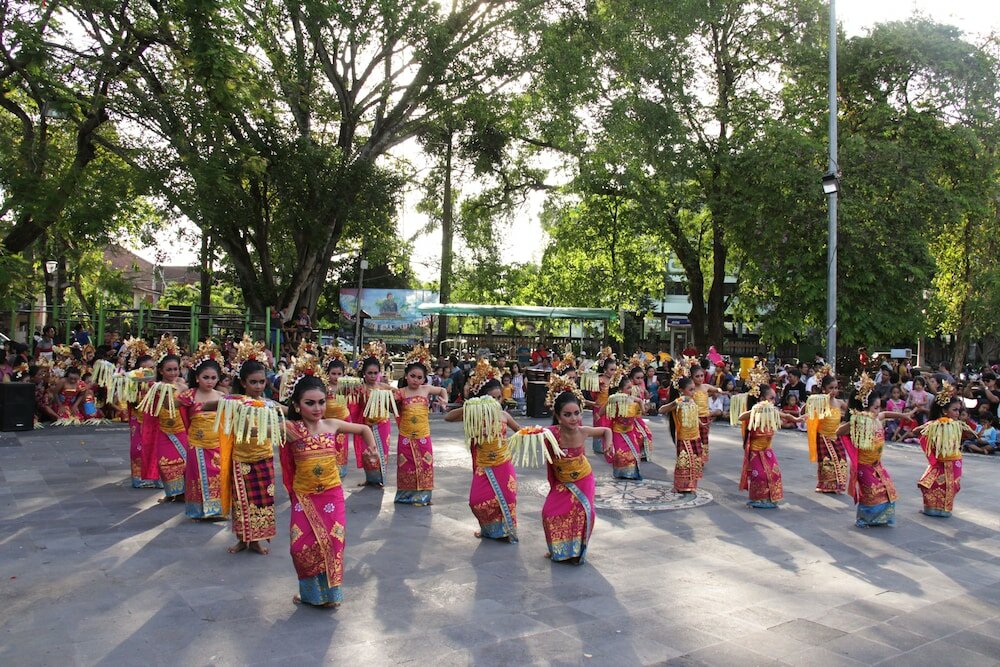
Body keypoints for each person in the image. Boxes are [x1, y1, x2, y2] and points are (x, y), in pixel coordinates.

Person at [281, 375, 375, 607]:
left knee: (333, 544)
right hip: (303, 496)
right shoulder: (291, 429)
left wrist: (371, 449)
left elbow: (363, 428)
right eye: (309, 403)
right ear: (296, 405)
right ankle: (311, 594)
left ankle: (330, 596)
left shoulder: (332, 425)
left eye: (321, 402)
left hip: (331, 495)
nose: (317, 408)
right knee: (300, 548)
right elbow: (257, 426)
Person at [445, 379, 522, 542]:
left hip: (503, 463)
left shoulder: (504, 415)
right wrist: (468, 407)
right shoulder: (474, 414)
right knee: (477, 501)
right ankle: (488, 529)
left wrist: (538, 434)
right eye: (491, 398)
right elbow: (448, 418)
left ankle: (506, 531)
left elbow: (519, 431)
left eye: (498, 398)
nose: (496, 402)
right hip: (483, 465)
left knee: (508, 499)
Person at [542, 391, 609, 564]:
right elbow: (526, 434)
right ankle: (559, 549)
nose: (574, 418)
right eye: (567, 414)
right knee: (549, 513)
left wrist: (608, 445)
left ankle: (576, 551)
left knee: (584, 514)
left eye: (577, 413)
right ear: (558, 416)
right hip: (563, 481)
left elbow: (606, 430)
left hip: (584, 479)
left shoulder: (584, 431)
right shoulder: (550, 434)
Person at [836, 377, 907, 527]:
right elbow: (839, 431)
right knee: (871, 492)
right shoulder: (858, 422)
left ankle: (881, 519)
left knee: (888, 490)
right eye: (875, 408)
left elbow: (886, 414)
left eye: (879, 407)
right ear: (865, 408)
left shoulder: (876, 418)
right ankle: (864, 519)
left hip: (877, 465)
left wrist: (902, 416)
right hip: (864, 465)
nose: (878, 411)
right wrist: (854, 421)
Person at [180, 348, 229, 520]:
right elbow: (173, 407)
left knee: (218, 475)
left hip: (217, 444)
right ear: (197, 378)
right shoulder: (189, 395)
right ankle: (198, 511)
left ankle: (218, 510)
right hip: (197, 444)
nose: (210, 381)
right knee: (199, 477)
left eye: (213, 378)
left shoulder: (222, 396)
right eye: (205, 377)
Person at [139, 338, 190, 502]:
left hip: (181, 429)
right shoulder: (154, 386)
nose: (173, 373)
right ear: (161, 371)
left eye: (175, 369)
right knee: (165, 462)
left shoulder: (183, 386)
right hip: (162, 430)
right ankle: (171, 493)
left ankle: (183, 492)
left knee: (183, 461)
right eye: (169, 370)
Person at [394, 359, 448, 506]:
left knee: (426, 464)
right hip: (405, 437)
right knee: (406, 465)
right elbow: (389, 403)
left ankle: (424, 496)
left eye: (419, 377)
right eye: (412, 376)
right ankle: (405, 496)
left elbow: (442, 390)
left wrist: (445, 401)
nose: (415, 380)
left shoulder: (426, 389)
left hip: (423, 436)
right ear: (406, 376)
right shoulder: (401, 393)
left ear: (424, 379)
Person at [737, 384, 800, 509]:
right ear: (761, 399)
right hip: (755, 451)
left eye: (774, 398)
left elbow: (786, 416)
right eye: (771, 398)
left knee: (775, 473)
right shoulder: (754, 412)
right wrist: (756, 409)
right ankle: (758, 499)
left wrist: (799, 419)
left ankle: (771, 498)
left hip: (767, 450)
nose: (774, 401)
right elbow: (741, 417)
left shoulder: (772, 411)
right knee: (759, 475)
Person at [913, 387, 973, 517]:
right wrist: (929, 427)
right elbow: (919, 434)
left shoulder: (958, 425)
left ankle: (945, 509)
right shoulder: (934, 425)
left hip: (954, 461)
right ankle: (931, 508)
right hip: (938, 462)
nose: (958, 413)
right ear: (944, 411)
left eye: (959, 410)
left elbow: (970, 434)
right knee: (929, 484)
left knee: (951, 485)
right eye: (955, 410)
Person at [353, 356, 395, 487]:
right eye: (369, 373)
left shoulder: (384, 387)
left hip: (382, 424)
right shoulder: (360, 389)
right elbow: (353, 404)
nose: (372, 376)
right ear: (364, 373)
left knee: (382, 452)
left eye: (375, 373)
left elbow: (398, 396)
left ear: (379, 373)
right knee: (367, 452)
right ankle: (370, 479)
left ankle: (380, 479)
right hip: (367, 426)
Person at [659, 376, 703, 493]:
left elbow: (693, 416)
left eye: (694, 389)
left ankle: (691, 485)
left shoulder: (692, 401)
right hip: (684, 438)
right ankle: (678, 486)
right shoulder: (679, 402)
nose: (693, 392)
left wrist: (701, 423)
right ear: (681, 391)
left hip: (695, 436)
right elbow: (661, 410)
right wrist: (674, 402)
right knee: (683, 462)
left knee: (695, 462)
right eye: (691, 390)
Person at [807, 373, 849, 494]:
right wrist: (813, 401)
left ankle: (838, 484)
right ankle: (826, 484)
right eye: (831, 388)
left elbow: (851, 412)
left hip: (836, 436)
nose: (834, 390)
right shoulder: (820, 402)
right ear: (824, 389)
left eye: (836, 387)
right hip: (823, 436)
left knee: (842, 460)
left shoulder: (840, 403)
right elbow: (805, 410)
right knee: (827, 461)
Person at [604, 377, 647, 480]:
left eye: (631, 388)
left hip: (630, 431)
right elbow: (604, 409)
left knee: (635, 453)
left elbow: (640, 401)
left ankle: (632, 473)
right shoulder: (614, 400)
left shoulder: (632, 399)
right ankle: (621, 473)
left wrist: (643, 409)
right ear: (620, 390)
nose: (630, 390)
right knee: (620, 454)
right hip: (618, 432)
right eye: (628, 388)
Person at [323, 355, 353, 477]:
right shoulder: (324, 387)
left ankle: (340, 472)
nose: (336, 377)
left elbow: (342, 403)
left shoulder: (344, 387)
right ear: (328, 373)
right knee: (328, 446)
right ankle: (329, 470)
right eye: (333, 373)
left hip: (342, 421)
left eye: (339, 374)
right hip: (327, 421)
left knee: (341, 447)